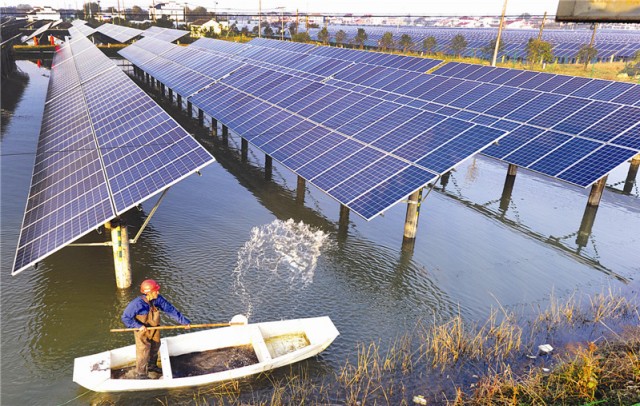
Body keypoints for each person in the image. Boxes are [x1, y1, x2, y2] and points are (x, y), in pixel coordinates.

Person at [122, 279, 191, 378]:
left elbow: (170, 309)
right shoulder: (136, 304)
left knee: (155, 345)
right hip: (142, 330)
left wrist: (184, 321)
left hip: (154, 328)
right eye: (155, 291)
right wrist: (138, 325)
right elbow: (125, 318)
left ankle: (152, 366)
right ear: (148, 293)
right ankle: (141, 373)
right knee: (143, 350)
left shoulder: (158, 299)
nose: (158, 292)